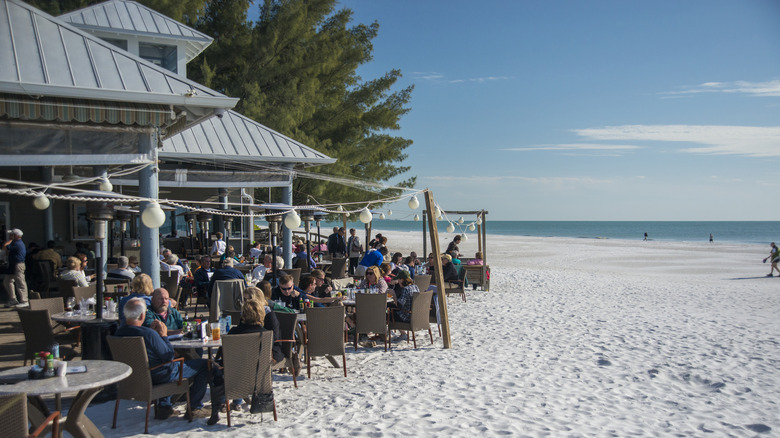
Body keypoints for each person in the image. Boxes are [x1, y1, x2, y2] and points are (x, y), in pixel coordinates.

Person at [115, 298, 212, 420]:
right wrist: (164, 335)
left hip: (133, 377)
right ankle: (194, 407)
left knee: (166, 363)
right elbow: (168, 355)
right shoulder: (148, 334)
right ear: (142, 315)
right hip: (159, 375)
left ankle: (164, 407)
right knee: (204, 365)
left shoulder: (118, 333)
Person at [3, 228, 28, 308]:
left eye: (12, 234)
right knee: (7, 281)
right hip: (13, 264)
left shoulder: (18, 243)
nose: (10, 236)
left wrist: (10, 240)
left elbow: (5, 247)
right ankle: (13, 299)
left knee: (20, 282)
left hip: (18, 265)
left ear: (16, 236)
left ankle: (24, 301)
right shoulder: (15, 243)